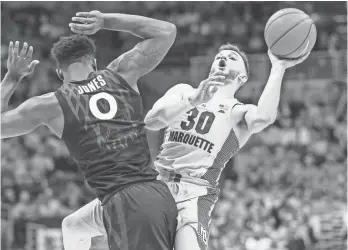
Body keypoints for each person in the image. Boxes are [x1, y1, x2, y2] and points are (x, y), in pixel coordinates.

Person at [58, 41, 310, 250]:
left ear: (242, 76)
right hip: (152, 186)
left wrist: (277, 67)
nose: (223, 57)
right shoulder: (182, 91)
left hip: (193, 194)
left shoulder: (238, 112)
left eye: (232, 57)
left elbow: (265, 117)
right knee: (72, 226)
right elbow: (152, 121)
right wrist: (193, 100)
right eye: (220, 55)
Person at [1, 10, 178, 250]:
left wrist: (12, 77)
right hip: (157, 194)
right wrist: (105, 21)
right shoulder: (121, 72)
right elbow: (166, 31)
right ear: (93, 63)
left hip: (126, 202)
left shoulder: (51, 104)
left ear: (59, 73)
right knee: (73, 225)